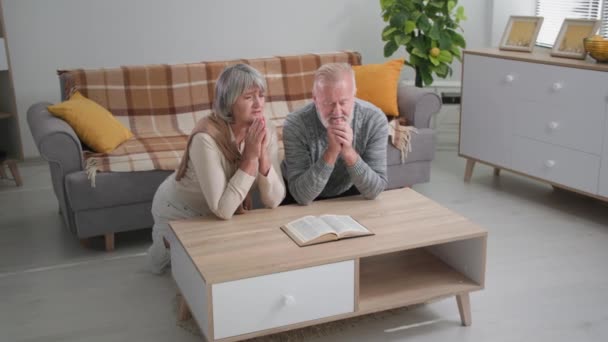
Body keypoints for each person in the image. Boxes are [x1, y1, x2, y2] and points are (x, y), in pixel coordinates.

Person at [147, 64, 285, 274]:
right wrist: (249, 158)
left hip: (218, 212)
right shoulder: (206, 137)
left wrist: (262, 155)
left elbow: (274, 200)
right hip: (180, 210)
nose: (258, 104)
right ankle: (165, 243)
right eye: (248, 97)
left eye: (261, 95)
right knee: (162, 269)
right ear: (228, 103)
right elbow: (223, 209)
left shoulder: (266, 130)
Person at [282, 63, 388, 205]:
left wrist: (349, 153)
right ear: (315, 99)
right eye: (328, 103)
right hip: (302, 195)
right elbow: (302, 196)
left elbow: (375, 190)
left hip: (350, 192)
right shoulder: (295, 124)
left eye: (343, 102)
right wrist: (331, 152)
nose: (337, 112)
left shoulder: (374, 119)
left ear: (354, 95)